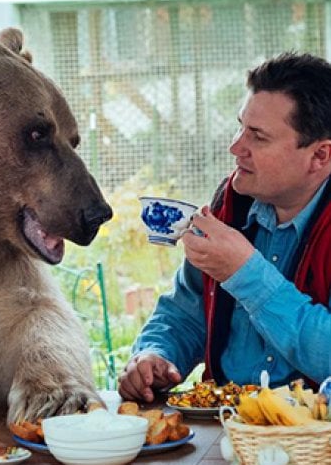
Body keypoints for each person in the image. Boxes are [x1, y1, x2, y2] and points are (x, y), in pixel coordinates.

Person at [119, 52, 331, 403]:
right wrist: (156, 356)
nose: (235, 147)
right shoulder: (230, 204)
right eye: (240, 127)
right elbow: (186, 311)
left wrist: (246, 274)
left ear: (320, 156)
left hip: (314, 441)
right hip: (226, 426)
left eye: (258, 137)